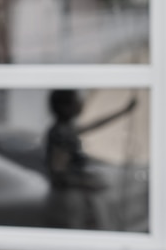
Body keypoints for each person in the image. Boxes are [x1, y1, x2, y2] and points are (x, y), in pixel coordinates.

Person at [44, 89, 137, 229]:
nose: (81, 103)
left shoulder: (66, 130)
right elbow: (59, 173)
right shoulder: (62, 134)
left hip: (71, 195)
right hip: (69, 197)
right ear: (65, 107)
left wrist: (123, 111)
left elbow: (96, 124)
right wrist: (89, 183)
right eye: (77, 100)